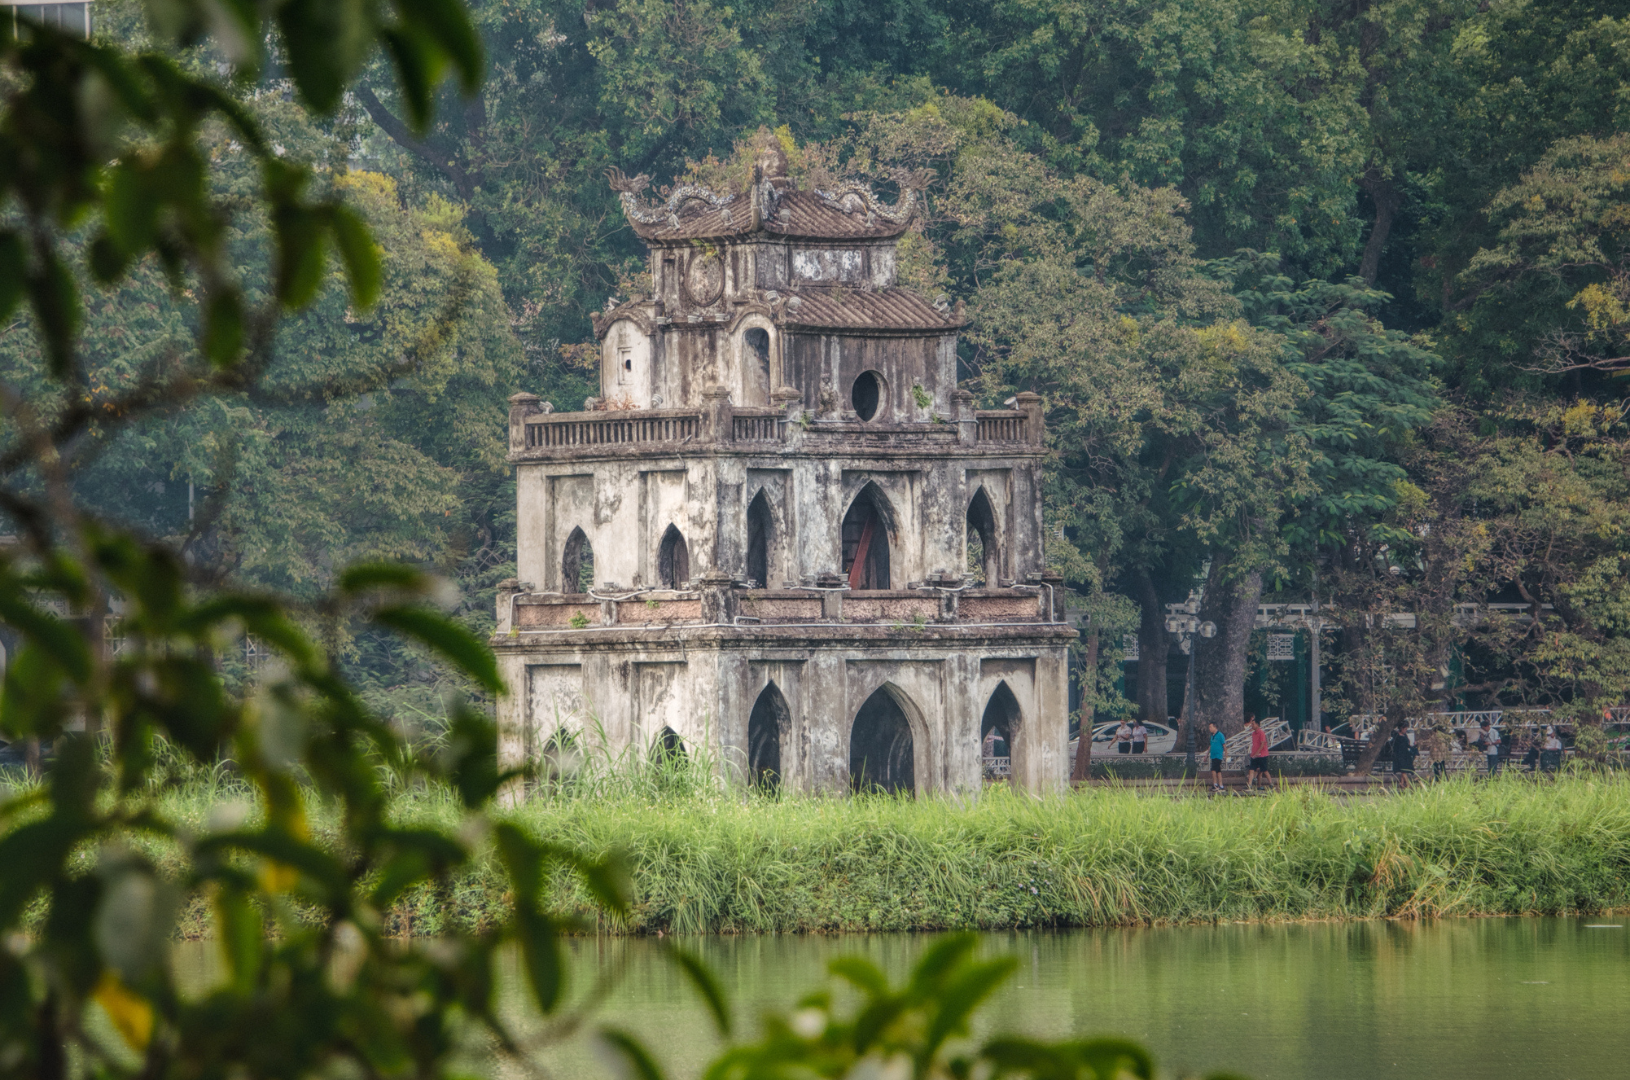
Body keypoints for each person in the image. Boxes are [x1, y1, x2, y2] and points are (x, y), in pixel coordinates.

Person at [1246, 716, 1271, 791]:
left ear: (1257, 724)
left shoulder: (1261, 733)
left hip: (1262, 755)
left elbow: (1262, 744)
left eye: (1253, 724)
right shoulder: (1253, 734)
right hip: (1254, 755)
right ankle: (1249, 785)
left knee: (1264, 770)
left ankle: (1271, 784)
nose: (1252, 725)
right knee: (1251, 769)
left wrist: (1257, 752)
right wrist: (1253, 753)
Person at [1391, 725, 1415, 790]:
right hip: (1399, 754)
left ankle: (1401, 783)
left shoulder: (1405, 735)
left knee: (1404, 769)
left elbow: (1407, 744)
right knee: (1403, 769)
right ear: (1401, 728)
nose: (1405, 730)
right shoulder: (1397, 736)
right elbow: (1395, 746)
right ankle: (1408, 784)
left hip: (1405, 754)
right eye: (1405, 729)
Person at [1209, 722, 1226, 793]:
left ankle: (1215, 784)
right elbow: (1210, 745)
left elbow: (1224, 745)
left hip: (1218, 756)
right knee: (1218, 771)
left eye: (1211, 727)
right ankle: (1221, 785)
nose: (1210, 729)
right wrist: (1206, 754)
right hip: (1213, 755)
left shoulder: (1220, 735)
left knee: (1213, 770)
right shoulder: (1212, 736)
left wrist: (1226, 754)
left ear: (1215, 727)